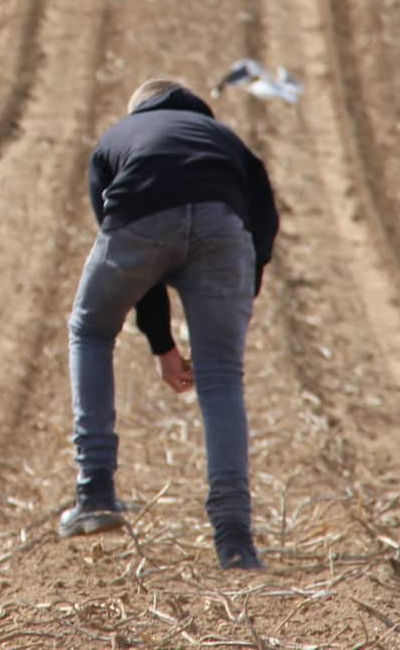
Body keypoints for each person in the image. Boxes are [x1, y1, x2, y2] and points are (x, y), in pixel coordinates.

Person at [61, 77, 279, 570]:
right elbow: (263, 224)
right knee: (222, 376)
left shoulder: (117, 139)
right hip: (225, 229)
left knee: (91, 330)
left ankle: (95, 494)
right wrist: (243, 292)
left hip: (141, 215)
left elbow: (125, 242)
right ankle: (235, 538)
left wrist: (160, 344)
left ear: (139, 110)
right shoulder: (225, 141)